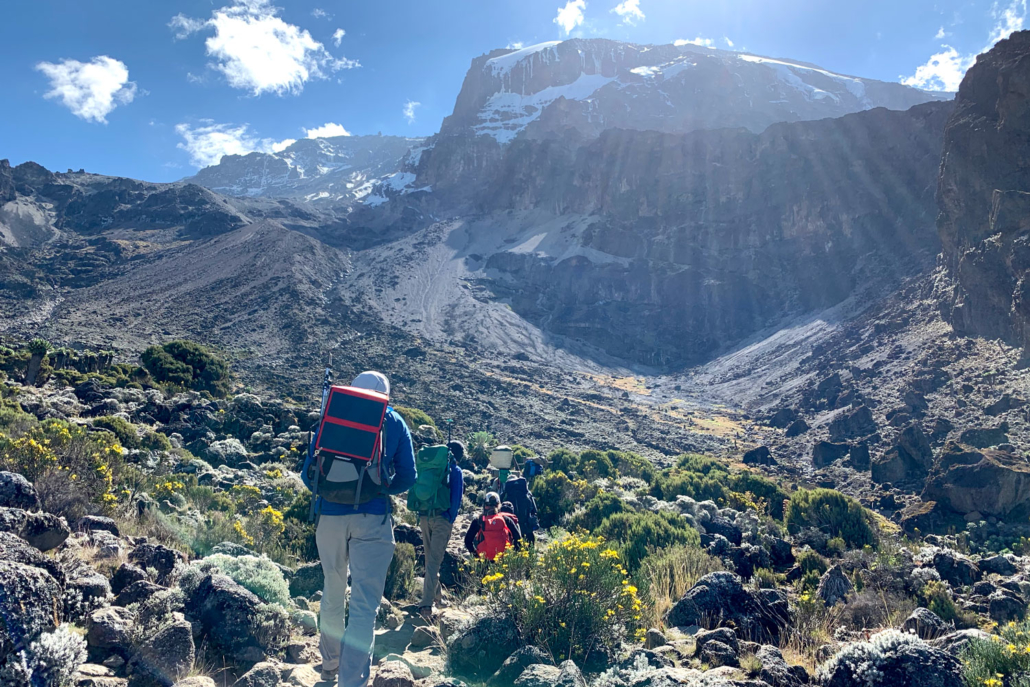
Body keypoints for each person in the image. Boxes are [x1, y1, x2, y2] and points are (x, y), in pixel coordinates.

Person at [301, 371, 416, 687]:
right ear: (386, 396)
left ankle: (329, 666)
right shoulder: (393, 421)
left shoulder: (333, 414)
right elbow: (409, 476)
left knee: (332, 589)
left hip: (330, 518)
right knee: (365, 605)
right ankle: (353, 681)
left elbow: (306, 475)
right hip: (373, 519)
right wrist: (379, 488)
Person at [409, 428, 464, 620]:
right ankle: (426, 604)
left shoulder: (435, 469)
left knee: (430, 558)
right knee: (434, 561)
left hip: (424, 516)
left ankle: (438, 597)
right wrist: (449, 517)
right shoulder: (455, 471)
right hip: (441, 518)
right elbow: (456, 498)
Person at [464, 491, 521, 561]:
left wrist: (476, 556)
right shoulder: (505, 519)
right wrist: (513, 555)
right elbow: (518, 538)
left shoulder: (478, 520)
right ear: (499, 505)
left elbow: (467, 541)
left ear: (484, 505)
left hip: (484, 559)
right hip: (504, 560)